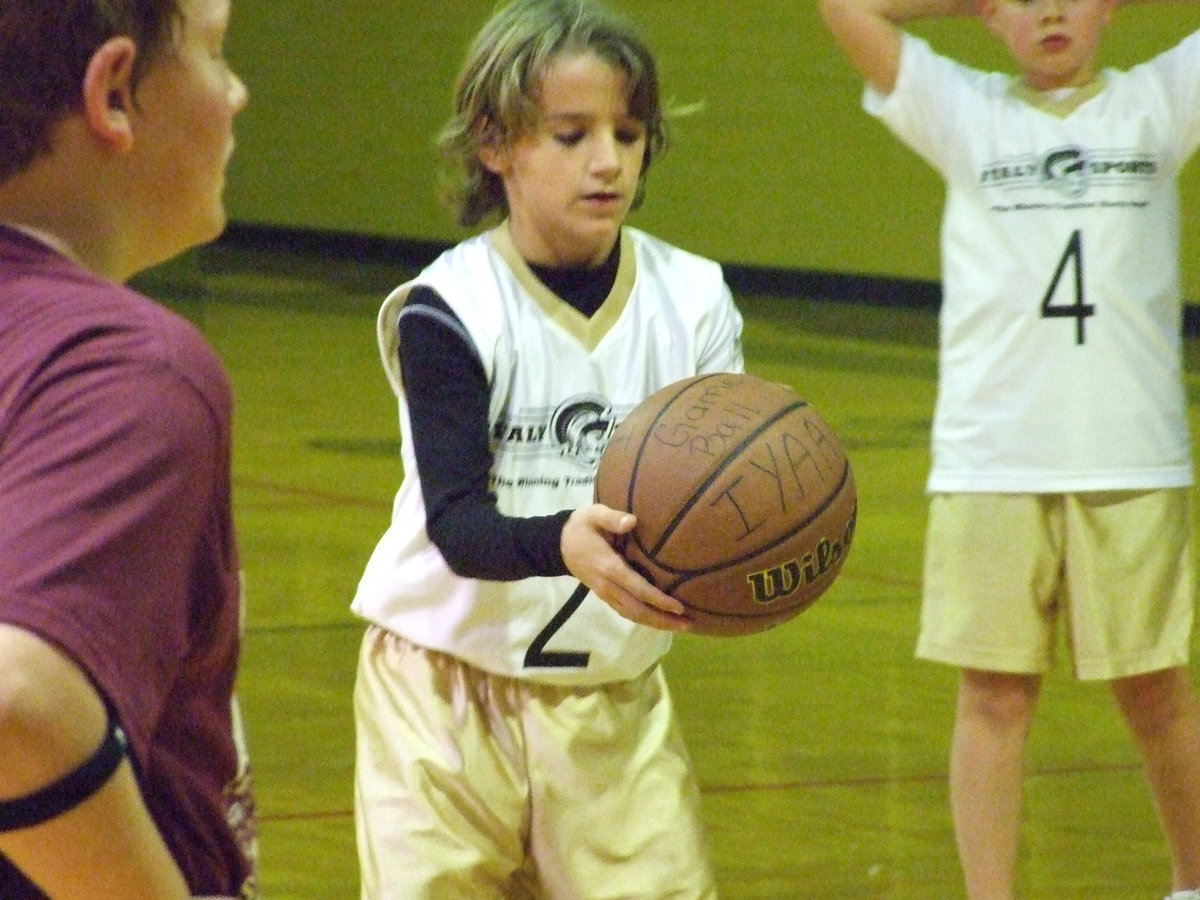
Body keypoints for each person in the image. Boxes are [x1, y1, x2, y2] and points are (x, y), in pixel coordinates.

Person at [350, 0, 744, 896]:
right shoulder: (447, 309)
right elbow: (457, 525)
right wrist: (563, 538)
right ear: (495, 145)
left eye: (628, 132)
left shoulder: (695, 300)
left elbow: (718, 502)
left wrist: (746, 558)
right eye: (571, 134)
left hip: (612, 703)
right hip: (444, 694)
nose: (607, 159)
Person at [819, 0, 1200, 897]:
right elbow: (847, 8)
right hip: (991, 459)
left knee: (1157, 693)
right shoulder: (964, 110)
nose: (1052, 9)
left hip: (1130, 458)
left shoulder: (1158, 102)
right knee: (991, 698)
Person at [0, 0, 255, 897]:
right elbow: (17, 704)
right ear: (113, 92)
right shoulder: (125, 366)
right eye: (218, 56)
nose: (238, 94)